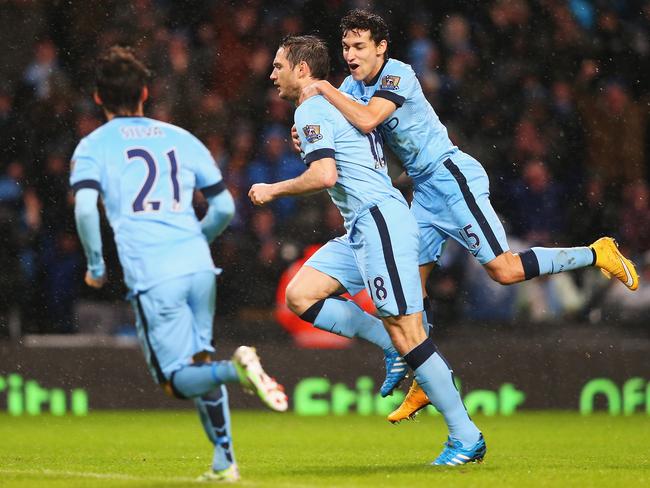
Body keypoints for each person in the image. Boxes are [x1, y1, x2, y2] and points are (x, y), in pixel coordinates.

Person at [296, 9, 640, 422]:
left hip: (450, 178)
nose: (350, 54)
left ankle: (598, 253)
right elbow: (350, 134)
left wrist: (321, 88)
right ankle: (425, 376)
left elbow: (368, 119)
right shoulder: (349, 87)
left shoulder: (397, 75)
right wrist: (309, 137)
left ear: (381, 47)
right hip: (421, 191)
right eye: (346, 47)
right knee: (412, 287)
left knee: (505, 270)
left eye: (359, 46)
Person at [249, 35, 486, 465]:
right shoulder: (327, 108)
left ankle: (465, 436)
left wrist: (273, 189)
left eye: (278, 65)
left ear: (302, 70)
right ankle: (391, 346)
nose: (272, 74)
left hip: (379, 220)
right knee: (300, 295)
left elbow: (324, 175)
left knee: (409, 330)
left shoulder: (312, 107)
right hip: (363, 224)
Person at [70, 46, 287, 482]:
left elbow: (85, 209)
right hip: (199, 268)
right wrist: (193, 240)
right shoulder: (181, 138)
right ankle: (225, 461)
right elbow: (224, 208)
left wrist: (95, 264)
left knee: (174, 379)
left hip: (154, 273)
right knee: (198, 362)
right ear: (145, 93)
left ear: (98, 98)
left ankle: (237, 368)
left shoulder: (93, 146)